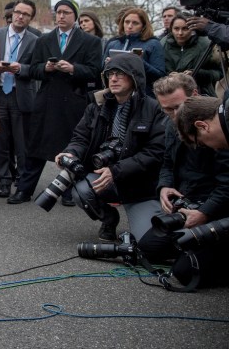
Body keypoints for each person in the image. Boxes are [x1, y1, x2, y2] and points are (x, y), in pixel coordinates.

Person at [56, 53, 167, 241]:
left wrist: (115, 170)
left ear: (134, 77)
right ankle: (109, 218)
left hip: (141, 187)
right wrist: (70, 153)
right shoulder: (97, 106)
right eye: (109, 74)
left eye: (120, 74)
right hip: (106, 176)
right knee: (82, 189)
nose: (113, 79)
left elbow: (155, 153)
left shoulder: (153, 108)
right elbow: (81, 138)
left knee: (149, 241)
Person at [8, 0, 102, 206]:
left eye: (66, 12)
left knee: (72, 147)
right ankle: (24, 190)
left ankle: (68, 191)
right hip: (47, 100)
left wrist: (73, 69)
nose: (61, 16)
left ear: (74, 16)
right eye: (58, 12)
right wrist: (46, 69)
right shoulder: (44, 40)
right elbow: (32, 69)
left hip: (74, 101)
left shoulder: (90, 41)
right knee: (35, 147)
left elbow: (96, 72)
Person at [137, 74, 229, 271]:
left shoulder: (218, 128)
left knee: (185, 271)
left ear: (194, 95)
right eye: (166, 109)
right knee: (145, 250)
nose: (173, 114)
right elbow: (167, 163)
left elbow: (227, 185)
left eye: (177, 107)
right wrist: (164, 186)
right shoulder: (171, 124)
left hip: (214, 208)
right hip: (186, 206)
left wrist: (204, 213)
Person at [0, 0, 38, 199]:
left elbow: (38, 68)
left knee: (22, 143)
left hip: (21, 92)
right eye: (18, 12)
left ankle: (22, 181)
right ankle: (3, 180)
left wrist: (21, 68)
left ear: (30, 18)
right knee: (0, 141)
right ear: (12, 13)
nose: (20, 16)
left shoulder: (36, 39)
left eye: (25, 14)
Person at [103, 7, 166, 97]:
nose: (129, 26)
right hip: (117, 97)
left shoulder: (153, 44)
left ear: (143, 26)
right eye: (127, 22)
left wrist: (140, 62)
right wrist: (108, 64)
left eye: (135, 23)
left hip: (143, 96)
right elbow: (102, 73)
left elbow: (160, 76)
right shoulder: (113, 44)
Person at [162, 14, 223, 97]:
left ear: (192, 29)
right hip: (170, 93)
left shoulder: (206, 44)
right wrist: (169, 76)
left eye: (185, 28)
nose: (180, 33)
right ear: (171, 29)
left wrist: (196, 73)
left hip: (201, 94)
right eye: (176, 29)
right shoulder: (163, 44)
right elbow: (157, 72)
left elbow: (219, 73)